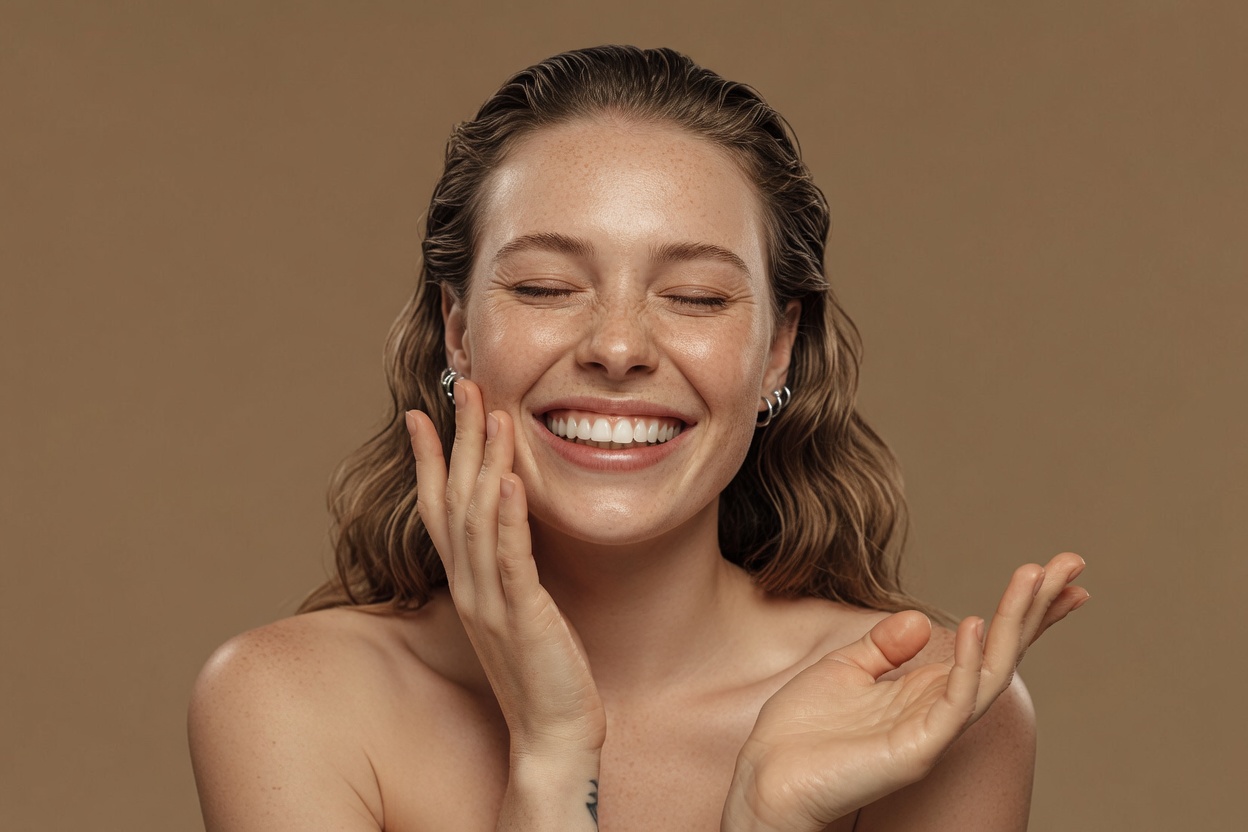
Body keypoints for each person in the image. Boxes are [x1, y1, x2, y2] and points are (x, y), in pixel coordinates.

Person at [188, 45, 1089, 831]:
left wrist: (767, 820)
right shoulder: (290, 702)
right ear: (458, 332)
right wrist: (551, 754)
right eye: (545, 288)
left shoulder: (934, 711)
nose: (618, 348)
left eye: (695, 297)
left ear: (777, 351)